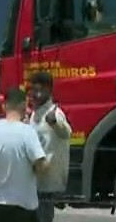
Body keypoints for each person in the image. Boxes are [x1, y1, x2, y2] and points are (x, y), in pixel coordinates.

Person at [0, 89, 47, 222]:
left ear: (4, 106)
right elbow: (40, 166)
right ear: (24, 105)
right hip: (23, 206)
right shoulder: (27, 132)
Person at [26, 72, 71, 222]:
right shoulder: (33, 114)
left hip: (47, 182)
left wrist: (55, 123)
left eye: (41, 91)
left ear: (49, 90)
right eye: (34, 90)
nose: (37, 95)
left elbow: (66, 133)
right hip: (34, 181)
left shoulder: (55, 114)